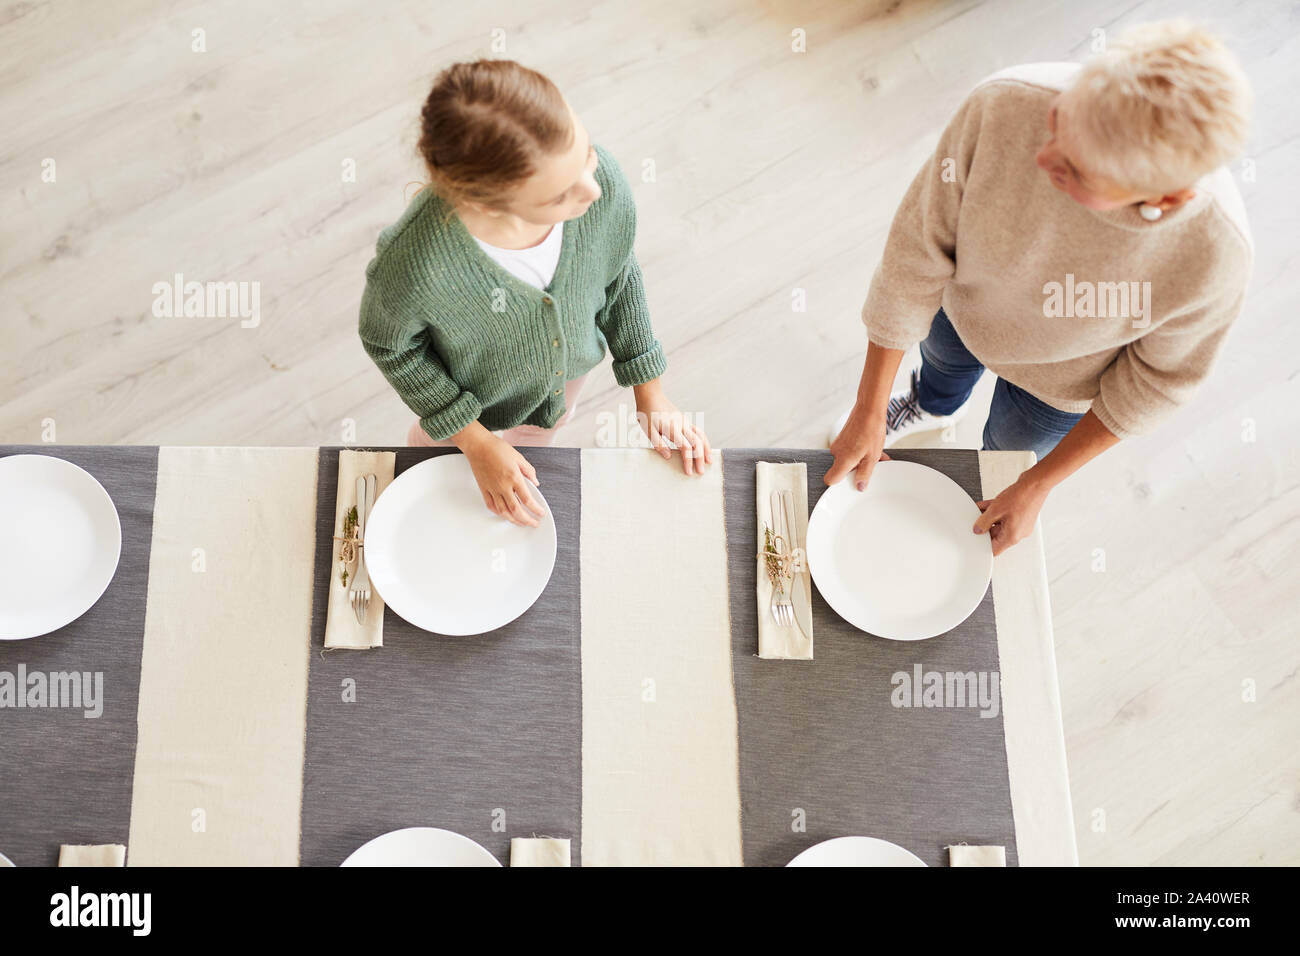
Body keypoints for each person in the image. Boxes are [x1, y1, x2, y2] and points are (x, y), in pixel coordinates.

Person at [827, 20, 1252, 554]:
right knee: (940, 370)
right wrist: (869, 407)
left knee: (1005, 454)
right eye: (1057, 120)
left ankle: (998, 479)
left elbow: (1156, 385)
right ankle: (930, 404)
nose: (1041, 158)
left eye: (1072, 173)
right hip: (963, 309)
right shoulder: (1004, 104)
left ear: (1165, 200)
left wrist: (1038, 483)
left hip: (1061, 386)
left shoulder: (1214, 257)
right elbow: (916, 249)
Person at [360, 59, 711, 527]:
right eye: (559, 197)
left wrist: (650, 392)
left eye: (585, 153)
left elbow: (618, 274)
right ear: (488, 203)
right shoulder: (413, 265)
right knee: (438, 466)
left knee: (540, 432)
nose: (593, 191)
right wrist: (476, 441)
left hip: (561, 381)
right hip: (465, 400)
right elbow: (390, 344)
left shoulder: (599, 182)